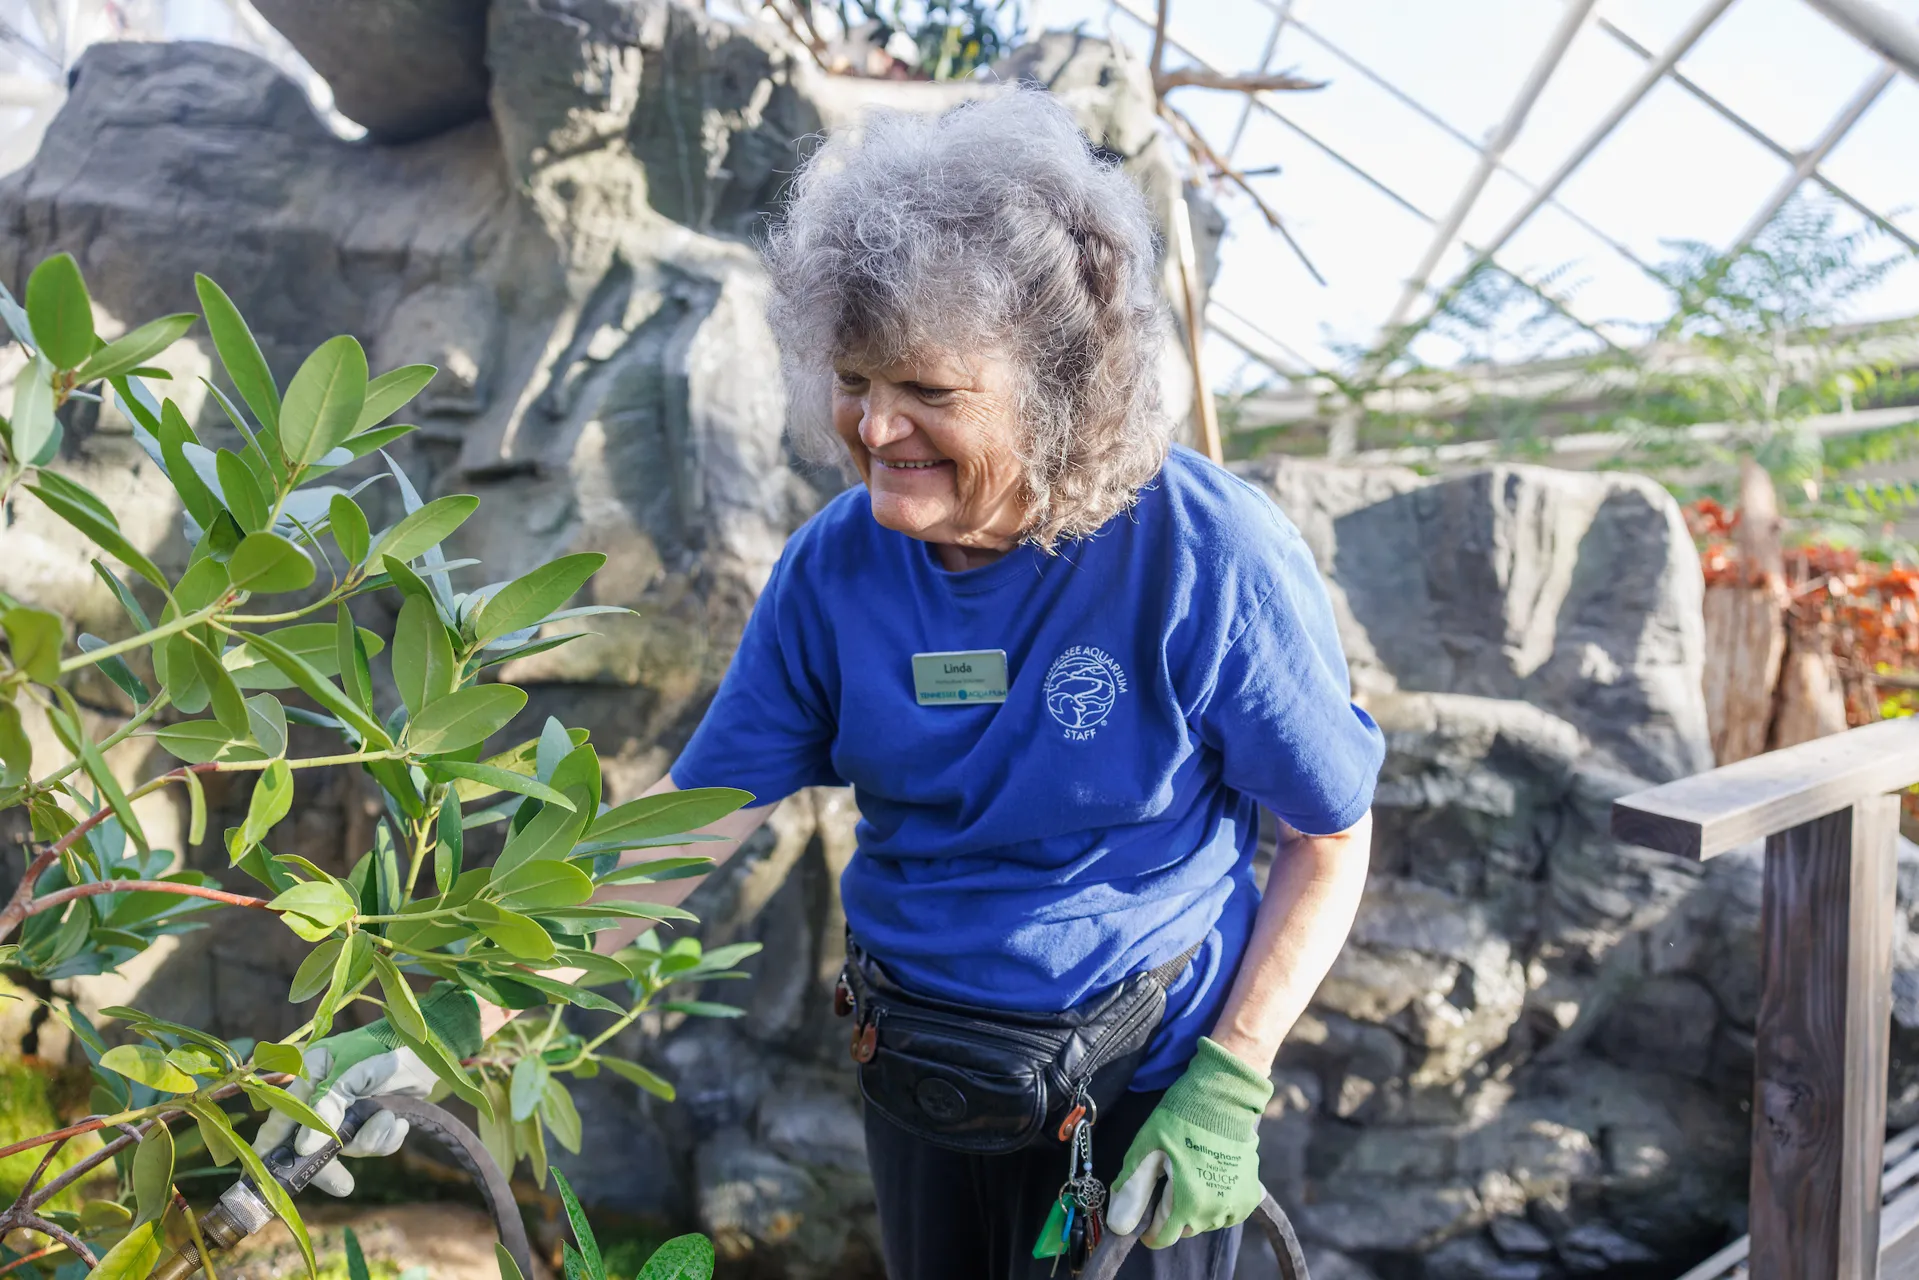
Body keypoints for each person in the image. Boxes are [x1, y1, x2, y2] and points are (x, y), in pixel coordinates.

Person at [252, 89, 1383, 1280]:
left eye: (928, 392)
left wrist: (1234, 1071)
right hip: (922, 1073)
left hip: (1143, 1091)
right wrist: (448, 1019)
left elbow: (1328, 835)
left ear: (1056, 387)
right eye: (851, 377)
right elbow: (684, 826)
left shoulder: (1203, 555)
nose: (874, 424)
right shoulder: (836, 569)